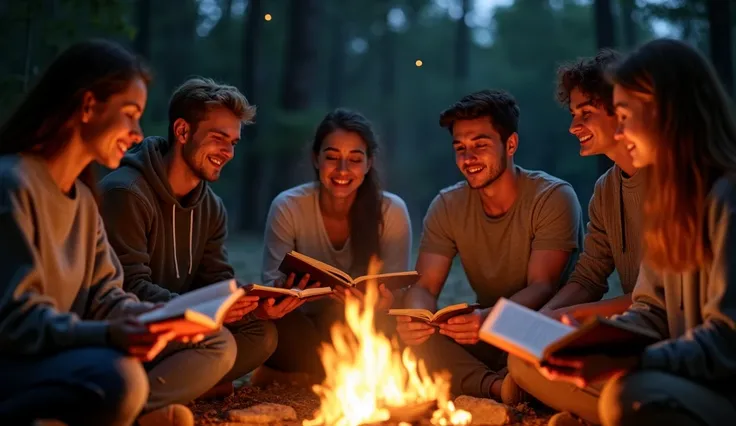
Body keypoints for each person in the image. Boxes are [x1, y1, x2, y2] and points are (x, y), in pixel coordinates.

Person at [0, 39, 236, 426]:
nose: (137, 133)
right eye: (130, 114)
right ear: (89, 106)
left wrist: (152, 318)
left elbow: (106, 294)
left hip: (70, 352)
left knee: (209, 343)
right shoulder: (14, 184)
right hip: (18, 363)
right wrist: (109, 335)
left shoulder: (82, 199)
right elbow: (16, 322)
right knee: (118, 377)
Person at [540, 38, 736, 426]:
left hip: (722, 385)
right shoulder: (670, 200)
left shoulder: (726, 199)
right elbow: (652, 309)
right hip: (680, 371)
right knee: (557, 367)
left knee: (628, 395)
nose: (623, 132)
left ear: (664, 113)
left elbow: (728, 339)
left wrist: (637, 359)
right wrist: (595, 340)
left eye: (626, 116)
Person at [396, 89, 584, 400]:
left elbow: (542, 286)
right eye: (460, 148)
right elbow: (425, 287)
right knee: (395, 334)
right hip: (482, 330)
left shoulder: (552, 197)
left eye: (480, 146)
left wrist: (489, 319)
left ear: (510, 144)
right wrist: (417, 319)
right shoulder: (447, 204)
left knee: (549, 348)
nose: (468, 159)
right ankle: (500, 386)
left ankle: (496, 381)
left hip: (539, 327)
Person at [99, 77, 278, 394]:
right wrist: (197, 311)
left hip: (186, 323)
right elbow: (126, 289)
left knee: (261, 333)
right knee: (220, 343)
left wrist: (248, 305)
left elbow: (215, 279)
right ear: (182, 132)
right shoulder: (126, 192)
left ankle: (192, 381)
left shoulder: (211, 206)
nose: (228, 152)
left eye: (233, 143)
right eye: (218, 138)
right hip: (129, 329)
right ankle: (140, 400)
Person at [504, 50, 647, 422]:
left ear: (623, 112)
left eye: (586, 114)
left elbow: (654, 300)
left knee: (619, 388)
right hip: (631, 326)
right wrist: (542, 320)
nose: (573, 126)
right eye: (573, 115)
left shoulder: (673, 184)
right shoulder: (605, 189)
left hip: (663, 335)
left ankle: (595, 413)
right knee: (521, 360)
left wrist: (567, 317)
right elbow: (589, 275)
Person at [257, 108, 412, 383]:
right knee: (270, 332)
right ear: (316, 159)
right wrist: (293, 294)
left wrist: (381, 302)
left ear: (368, 164)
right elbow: (270, 286)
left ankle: (305, 376)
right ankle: (339, 375)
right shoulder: (288, 207)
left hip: (359, 322)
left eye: (354, 159)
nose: (342, 170)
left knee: (394, 329)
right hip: (300, 324)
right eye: (332, 157)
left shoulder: (391, 211)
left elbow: (398, 290)